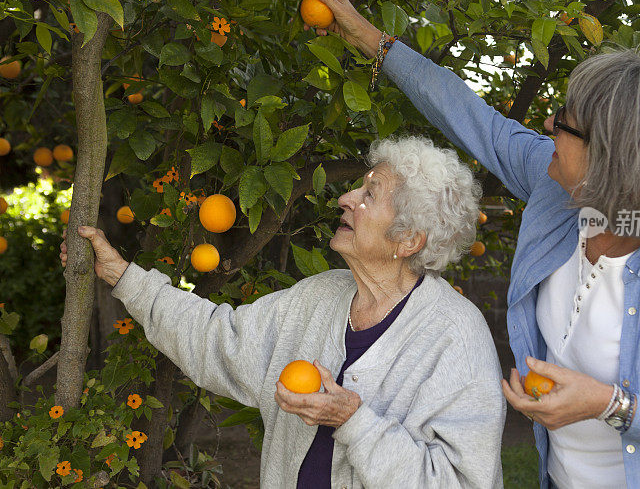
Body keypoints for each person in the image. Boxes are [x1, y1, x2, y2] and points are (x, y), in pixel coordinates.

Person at [302, 0, 640, 488]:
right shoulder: (562, 192)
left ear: (617, 160)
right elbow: (476, 122)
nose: (549, 123)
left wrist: (611, 406)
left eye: (567, 123)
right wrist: (371, 39)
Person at [60, 136, 505, 488]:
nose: (345, 197)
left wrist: (353, 421)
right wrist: (124, 277)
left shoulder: (456, 335)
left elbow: (459, 481)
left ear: (408, 240)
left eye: (370, 193)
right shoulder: (318, 298)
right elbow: (218, 340)